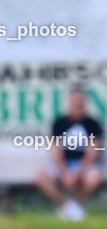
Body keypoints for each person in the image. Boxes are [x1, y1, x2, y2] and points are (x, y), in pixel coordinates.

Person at [34, 86, 104, 221]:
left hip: (83, 165)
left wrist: (77, 172)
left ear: (85, 102)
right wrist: (64, 172)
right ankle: (66, 205)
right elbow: (56, 150)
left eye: (80, 101)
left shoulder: (93, 124)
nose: (77, 104)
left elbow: (92, 152)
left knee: (94, 177)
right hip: (63, 165)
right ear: (69, 102)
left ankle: (76, 205)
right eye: (74, 101)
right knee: (40, 176)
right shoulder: (59, 123)